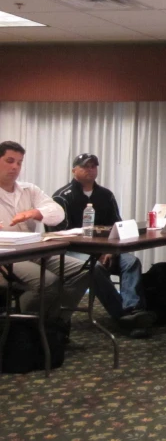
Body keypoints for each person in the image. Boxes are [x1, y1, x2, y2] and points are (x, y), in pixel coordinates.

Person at [49, 153, 156, 338]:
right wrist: (98, 252)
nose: (90, 170)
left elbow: (117, 226)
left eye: (94, 166)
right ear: (74, 170)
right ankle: (122, 316)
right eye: (85, 166)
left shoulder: (105, 195)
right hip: (74, 253)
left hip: (107, 250)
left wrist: (110, 252)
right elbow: (61, 235)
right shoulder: (62, 197)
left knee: (131, 262)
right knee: (94, 269)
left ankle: (134, 310)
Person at [0, 141, 89, 332]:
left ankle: (53, 323)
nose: (15, 167)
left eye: (19, 162)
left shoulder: (28, 189)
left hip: (33, 250)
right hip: (5, 256)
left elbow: (57, 212)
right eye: (9, 161)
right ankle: (21, 331)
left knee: (86, 269)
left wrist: (35, 213)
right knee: (47, 282)